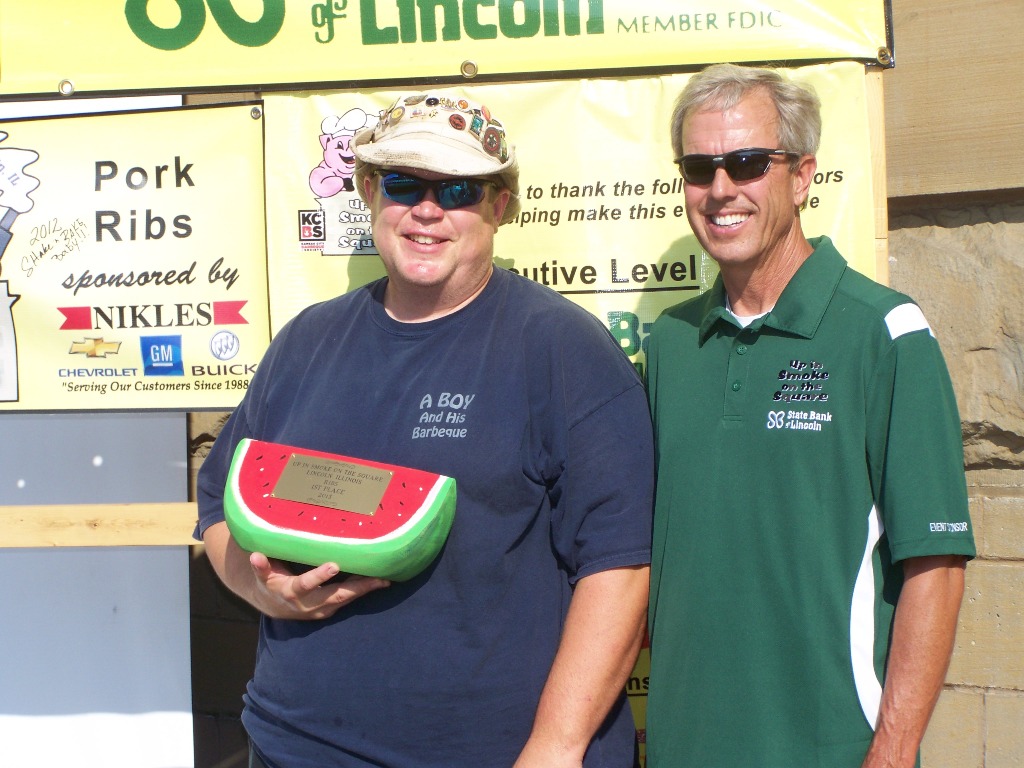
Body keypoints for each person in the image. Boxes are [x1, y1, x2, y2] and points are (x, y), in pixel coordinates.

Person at [196, 91, 654, 768]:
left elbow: (621, 566)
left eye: (459, 189)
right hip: (292, 745)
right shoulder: (306, 341)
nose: (428, 210)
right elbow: (218, 506)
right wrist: (263, 590)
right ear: (368, 191)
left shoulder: (563, 348)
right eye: (404, 184)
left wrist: (555, 749)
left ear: (500, 206)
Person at [644, 64, 975, 768]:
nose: (721, 189)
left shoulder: (885, 332)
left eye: (747, 163)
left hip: (832, 750)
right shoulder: (669, 343)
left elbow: (937, 565)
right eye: (699, 168)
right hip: (684, 746)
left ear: (801, 177)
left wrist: (893, 752)